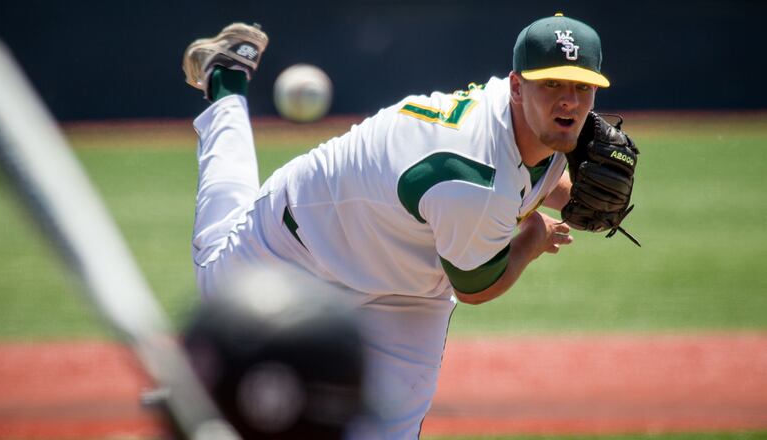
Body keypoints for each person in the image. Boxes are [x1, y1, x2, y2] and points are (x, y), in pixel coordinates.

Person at [183, 13, 609, 439]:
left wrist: (578, 198)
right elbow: (478, 286)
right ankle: (226, 83)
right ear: (517, 87)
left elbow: (529, 169)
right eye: (552, 84)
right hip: (301, 243)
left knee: (388, 431)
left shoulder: (524, 116)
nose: (568, 101)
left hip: (408, 292)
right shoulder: (470, 179)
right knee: (219, 292)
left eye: (581, 86)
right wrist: (534, 239)